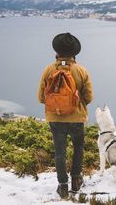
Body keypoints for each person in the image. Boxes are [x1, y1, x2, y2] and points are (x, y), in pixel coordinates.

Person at [38, 33, 93, 198]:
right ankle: (76, 181)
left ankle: (62, 187)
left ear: (57, 52)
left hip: (55, 119)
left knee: (59, 152)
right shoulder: (81, 70)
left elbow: (41, 98)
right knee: (78, 149)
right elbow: (89, 97)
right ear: (74, 53)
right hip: (77, 118)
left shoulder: (48, 70)